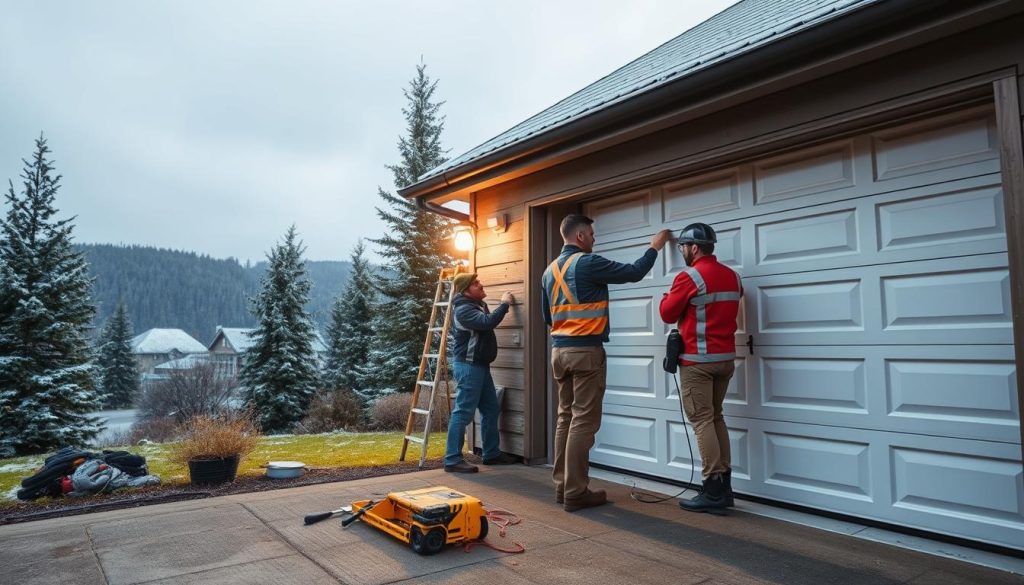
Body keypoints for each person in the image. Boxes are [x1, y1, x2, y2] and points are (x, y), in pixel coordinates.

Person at [541, 213, 672, 511]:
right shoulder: (588, 263)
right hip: (586, 351)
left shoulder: (549, 271)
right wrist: (655, 246)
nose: (594, 238)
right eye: (591, 233)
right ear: (580, 237)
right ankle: (576, 491)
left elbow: (547, 317)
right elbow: (635, 272)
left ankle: (563, 486)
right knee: (584, 420)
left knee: (565, 417)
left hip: (559, 352)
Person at [659, 222, 742, 514]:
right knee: (716, 417)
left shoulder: (690, 276)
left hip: (698, 363)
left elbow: (667, 312)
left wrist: (667, 298)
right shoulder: (733, 277)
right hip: (725, 360)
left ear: (694, 247)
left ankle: (713, 488)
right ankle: (725, 487)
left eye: (682, 246)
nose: (681, 251)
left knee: (702, 421)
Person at [444, 272, 518, 473]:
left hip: (480, 366)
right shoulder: (463, 310)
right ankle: (452, 459)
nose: (481, 285)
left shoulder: (474, 305)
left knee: (491, 408)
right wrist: (504, 304)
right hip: (469, 367)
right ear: (465, 289)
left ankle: (491, 453)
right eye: (476, 283)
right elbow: (487, 322)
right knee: (463, 412)